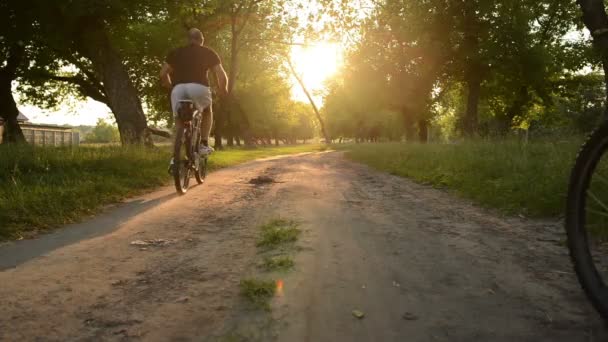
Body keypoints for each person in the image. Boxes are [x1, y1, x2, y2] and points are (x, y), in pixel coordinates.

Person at [160, 28, 228, 155]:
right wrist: (222, 90)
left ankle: (177, 153)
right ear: (201, 40)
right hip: (199, 88)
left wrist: (170, 87)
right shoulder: (208, 52)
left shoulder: (175, 53)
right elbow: (221, 75)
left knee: (179, 119)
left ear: (188, 40)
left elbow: (163, 74)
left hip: (178, 88)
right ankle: (203, 144)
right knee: (207, 111)